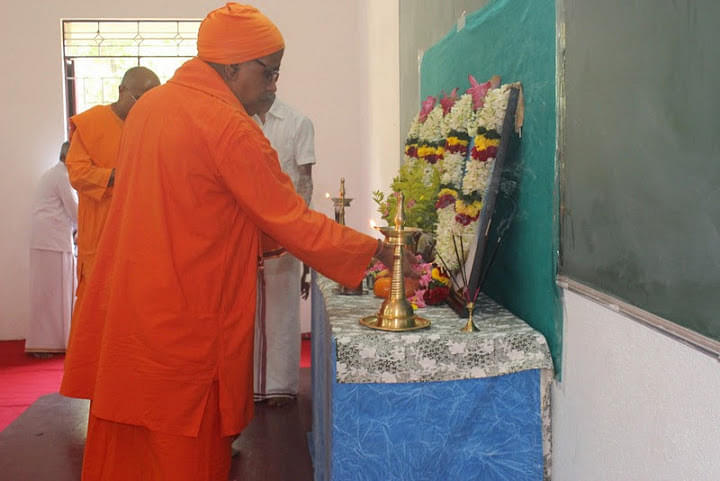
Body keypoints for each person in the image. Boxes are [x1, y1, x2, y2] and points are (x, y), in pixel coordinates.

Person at [60, 4, 400, 480]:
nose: (274, 86)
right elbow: (290, 220)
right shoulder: (229, 126)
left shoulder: (149, 109)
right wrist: (378, 251)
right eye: (270, 72)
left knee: (130, 447)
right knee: (181, 454)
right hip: (188, 321)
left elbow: (199, 207)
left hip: (131, 314)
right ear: (234, 66)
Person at [64, 66, 160, 305]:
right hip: (101, 234)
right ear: (121, 90)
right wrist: (116, 176)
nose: (143, 106)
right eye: (139, 98)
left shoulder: (152, 127)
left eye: (151, 101)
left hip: (139, 235)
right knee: (98, 306)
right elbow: (77, 173)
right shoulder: (92, 123)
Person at [252, 98, 316, 407]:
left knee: (282, 308)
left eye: (272, 76)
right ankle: (249, 384)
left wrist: (297, 231)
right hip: (247, 227)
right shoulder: (239, 117)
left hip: (284, 228)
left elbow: (305, 182)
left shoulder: (298, 122)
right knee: (248, 308)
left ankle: (280, 387)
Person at [26, 141, 77, 357]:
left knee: (47, 294)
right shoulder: (62, 176)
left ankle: (45, 343)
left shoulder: (53, 173)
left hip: (46, 240)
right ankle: (48, 344)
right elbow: (76, 211)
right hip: (53, 241)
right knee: (54, 295)